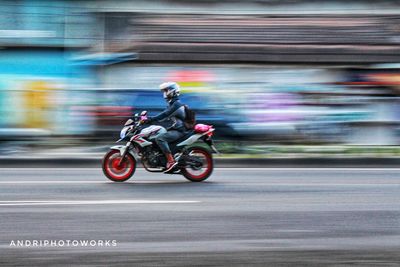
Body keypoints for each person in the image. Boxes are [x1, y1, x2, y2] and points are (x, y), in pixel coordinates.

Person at [146, 82, 187, 173]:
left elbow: (164, 114)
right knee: (158, 133)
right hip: (176, 128)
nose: (165, 93)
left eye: (166, 90)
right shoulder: (172, 104)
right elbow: (163, 117)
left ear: (172, 91)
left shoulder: (176, 104)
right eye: (164, 91)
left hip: (180, 130)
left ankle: (171, 161)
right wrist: (149, 120)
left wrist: (150, 119)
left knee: (160, 138)